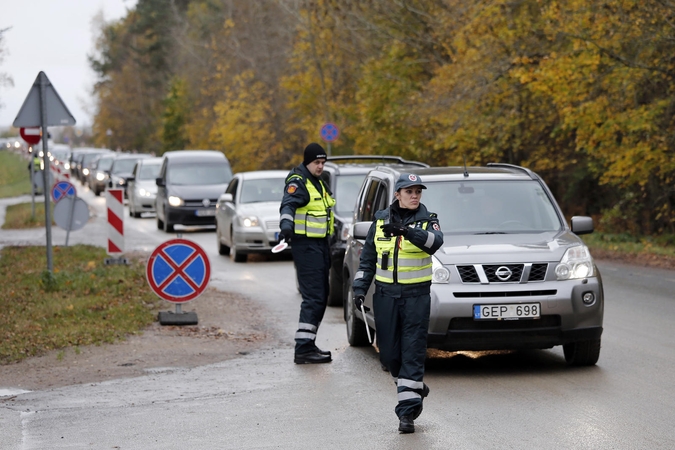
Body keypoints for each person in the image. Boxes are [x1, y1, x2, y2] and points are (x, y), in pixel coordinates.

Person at [352, 173, 444, 433]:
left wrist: (406, 231)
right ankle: (414, 389)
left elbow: (434, 243)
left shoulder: (429, 220)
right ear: (397, 194)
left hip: (416, 297)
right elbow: (368, 259)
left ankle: (407, 414)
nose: (415, 196)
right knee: (390, 356)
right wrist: (359, 289)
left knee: (412, 352)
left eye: (418, 192)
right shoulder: (380, 221)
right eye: (409, 191)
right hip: (385, 297)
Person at [279, 143, 336, 364]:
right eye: (317, 162)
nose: (321, 166)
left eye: (323, 163)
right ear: (307, 162)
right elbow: (288, 205)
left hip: (320, 246)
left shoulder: (318, 182)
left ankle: (308, 344)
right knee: (314, 298)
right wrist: (286, 227)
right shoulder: (299, 182)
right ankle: (303, 348)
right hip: (306, 247)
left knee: (321, 296)